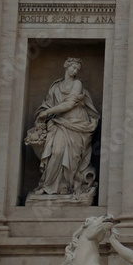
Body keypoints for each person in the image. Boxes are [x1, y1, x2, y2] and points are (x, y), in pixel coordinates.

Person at [27, 58, 100, 198]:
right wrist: (43, 114)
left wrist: (47, 112)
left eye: (77, 69)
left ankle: (66, 186)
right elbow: (47, 104)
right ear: (66, 66)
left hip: (77, 123)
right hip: (60, 122)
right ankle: (47, 185)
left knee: (73, 157)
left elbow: (69, 104)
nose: (75, 71)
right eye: (73, 68)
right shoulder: (56, 87)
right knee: (56, 151)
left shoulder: (77, 84)